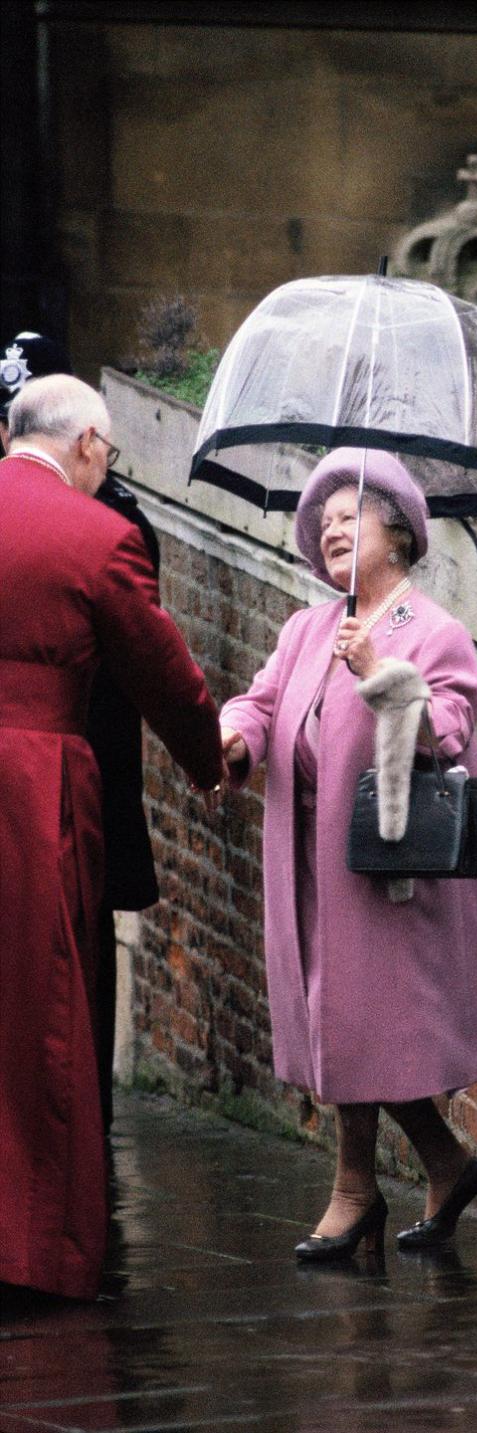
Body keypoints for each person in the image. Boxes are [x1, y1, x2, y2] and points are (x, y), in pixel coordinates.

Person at [218, 447, 477, 1261]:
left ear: (395, 531)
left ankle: (355, 1191)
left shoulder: (432, 630)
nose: (329, 530)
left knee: (363, 1031)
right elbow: (259, 704)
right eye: (320, 522)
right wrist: (231, 739)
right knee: (343, 1026)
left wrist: (381, 675)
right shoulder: (308, 627)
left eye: (346, 515)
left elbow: (451, 731)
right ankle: (443, 1164)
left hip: (391, 871)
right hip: (312, 868)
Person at [0, 374, 222, 1300]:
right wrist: (211, 758)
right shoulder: (98, 538)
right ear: (89, 442)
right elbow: (163, 676)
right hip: (31, 786)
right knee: (42, 1004)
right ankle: (29, 1246)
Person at [1, 332, 162, 1132]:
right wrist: (211, 753)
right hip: (52, 777)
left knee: (63, 976)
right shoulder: (99, 525)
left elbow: (140, 661)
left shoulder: (113, 522)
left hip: (80, 774)